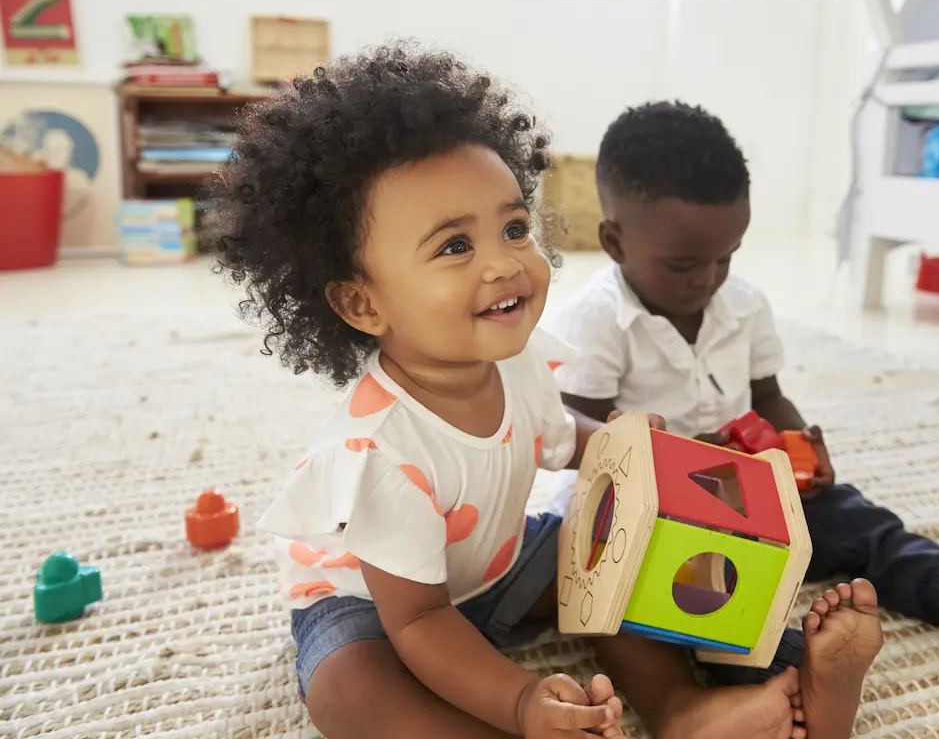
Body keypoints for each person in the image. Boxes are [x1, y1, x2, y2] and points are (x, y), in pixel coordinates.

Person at [214, 45, 877, 739]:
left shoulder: (520, 364)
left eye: (513, 228)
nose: (505, 262)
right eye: (453, 246)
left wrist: (642, 455)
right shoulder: (378, 453)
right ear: (361, 302)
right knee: (350, 694)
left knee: (626, 551)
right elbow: (420, 621)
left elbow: (567, 442)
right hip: (380, 612)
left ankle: (710, 701)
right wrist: (522, 701)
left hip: (499, 568)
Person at [549, 100, 939, 723]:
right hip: (661, 517)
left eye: (727, 256)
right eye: (685, 264)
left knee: (865, 526)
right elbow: (582, 444)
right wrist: (683, 466)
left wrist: (801, 442)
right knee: (710, 604)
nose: (709, 279)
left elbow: (768, 394)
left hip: (752, 484)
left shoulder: (742, 305)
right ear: (614, 242)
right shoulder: (596, 319)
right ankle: (805, 681)